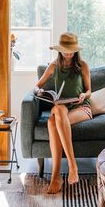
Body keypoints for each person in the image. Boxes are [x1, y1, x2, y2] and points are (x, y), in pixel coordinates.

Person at [33, 32, 92, 194]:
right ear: (59, 50)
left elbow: (89, 91)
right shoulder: (53, 66)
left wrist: (83, 95)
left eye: (71, 51)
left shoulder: (83, 66)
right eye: (65, 51)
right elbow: (37, 86)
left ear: (75, 51)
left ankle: (58, 176)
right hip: (61, 106)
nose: (68, 54)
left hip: (81, 107)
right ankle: (70, 167)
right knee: (58, 110)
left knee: (52, 122)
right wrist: (39, 91)